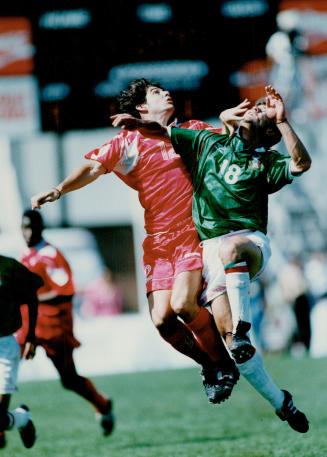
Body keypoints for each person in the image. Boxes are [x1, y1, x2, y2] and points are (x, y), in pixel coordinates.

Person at [30, 78, 245, 405]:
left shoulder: (192, 129)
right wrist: (59, 188)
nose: (167, 92)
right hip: (158, 243)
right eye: (157, 92)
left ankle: (223, 362)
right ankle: (212, 365)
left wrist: (233, 127)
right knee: (161, 320)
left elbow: (228, 148)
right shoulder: (127, 141)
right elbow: (92, 167)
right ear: (142, 106)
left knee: (184, 305)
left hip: (191, 232)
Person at [120, 85, 311, 433]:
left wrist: (283, 122)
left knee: (231, 251)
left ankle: (242, 329)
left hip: (248, 243)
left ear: (268, 133)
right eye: (255, 109)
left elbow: (301, 163)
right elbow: (163, 131)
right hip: (210, 252)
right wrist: (135, 120)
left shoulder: (266, 162)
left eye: (261, 114)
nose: (253, 110)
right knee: (232, 344)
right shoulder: (209, 143)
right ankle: (281, 402)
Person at [17, 209, 114, 436]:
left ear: (41, 228)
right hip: (26, 324)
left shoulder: (50, 255)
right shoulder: (26, 254)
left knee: (69, 379)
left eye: (31, 227)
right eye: (24, 227)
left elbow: (66, 290)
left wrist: (31, 297)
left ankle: (102, 403)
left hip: (53, 326)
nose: (28, 232)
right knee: (5, 368)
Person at [0, 254, 42, 449]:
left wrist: (31, 336)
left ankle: (23, 418)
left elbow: (32, 295)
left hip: (5, 345)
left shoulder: (8, 267)